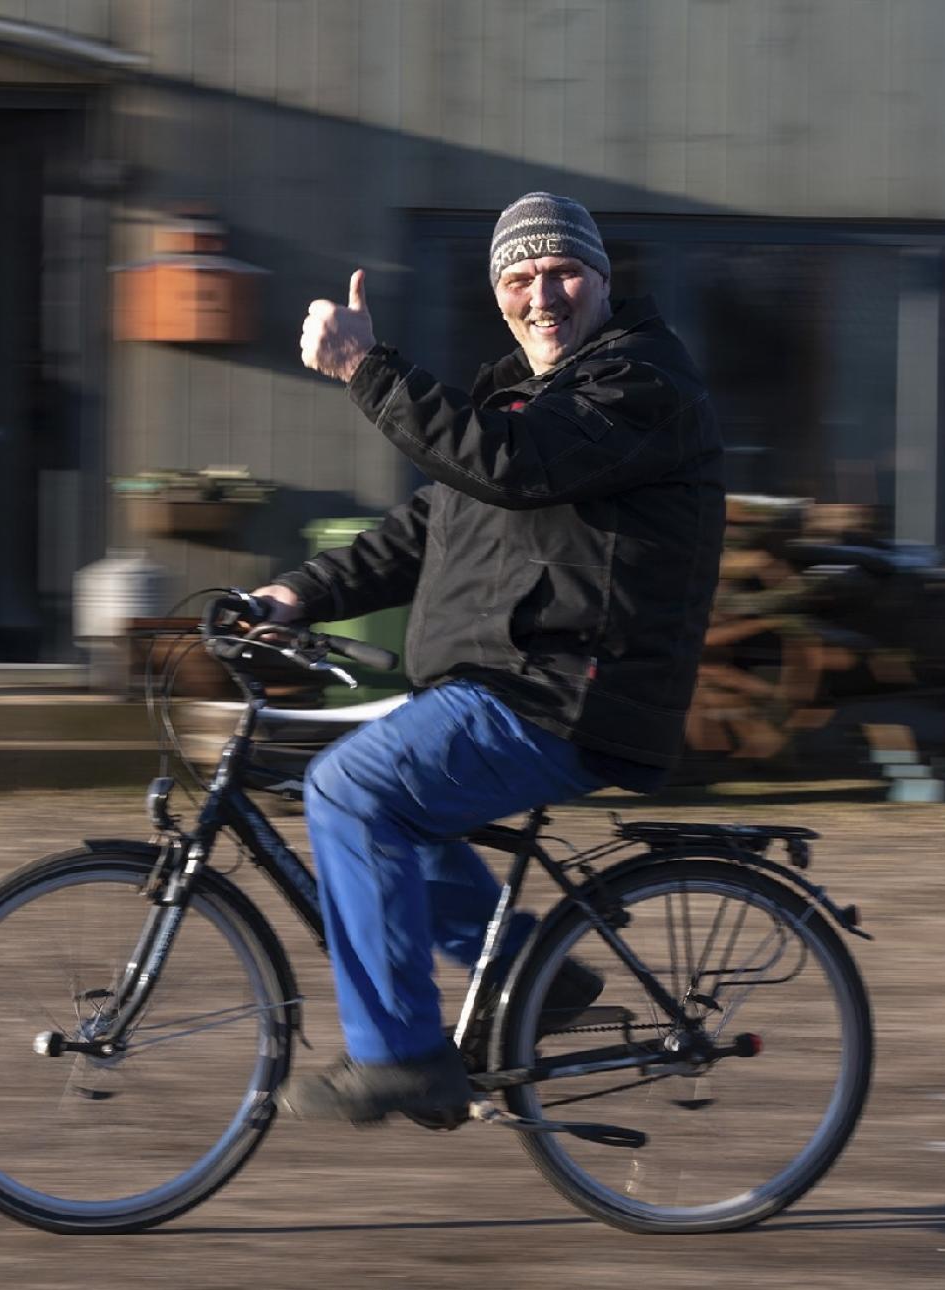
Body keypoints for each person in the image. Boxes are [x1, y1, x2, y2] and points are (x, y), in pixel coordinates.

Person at [254, 192, 726, 1125]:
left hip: (573, 692)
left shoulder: (636, 382)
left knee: (353, 791)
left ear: (600, 278)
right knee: (378, 798)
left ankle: (402, 1058)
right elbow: (428, 529)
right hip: (511, 683)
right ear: (498, 294)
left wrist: (365, 368)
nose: (541, 294)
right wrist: (297, 593)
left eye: (562, 272)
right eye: (518, 278)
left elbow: (509, 465)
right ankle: (525, 976)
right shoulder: (525, 401)